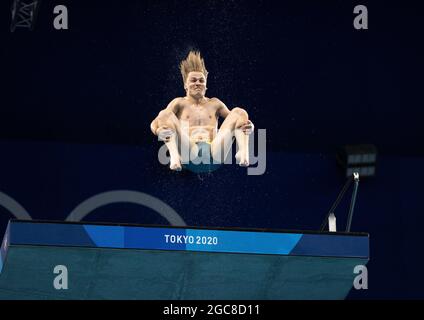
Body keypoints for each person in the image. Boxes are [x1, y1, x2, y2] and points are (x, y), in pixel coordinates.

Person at [150, 51, 254, 171]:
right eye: (193, 80)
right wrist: (158, 131)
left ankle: (243, 153)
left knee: (239, 112)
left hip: (215, 152)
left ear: (206, 85)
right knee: (165, 114)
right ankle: (175, 156)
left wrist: (250, 127)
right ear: (185, 85)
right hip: (189, 152)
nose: (197, 83)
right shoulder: (179, 103)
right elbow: (155, 122)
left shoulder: (215, 103)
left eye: (201, 81)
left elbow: (237, 120)